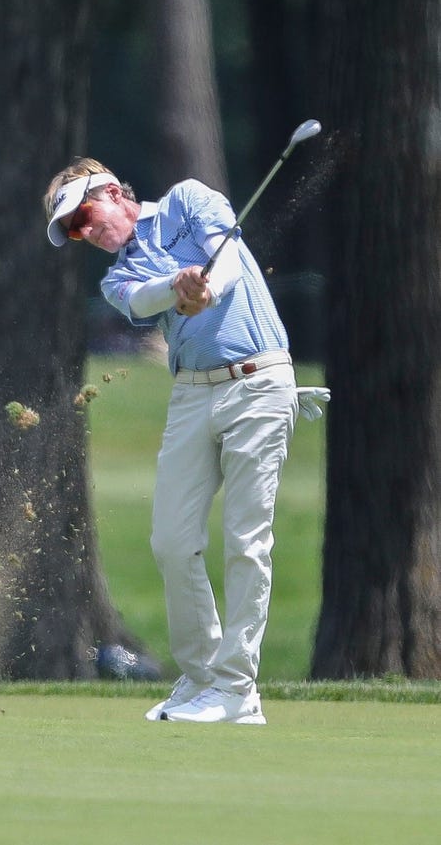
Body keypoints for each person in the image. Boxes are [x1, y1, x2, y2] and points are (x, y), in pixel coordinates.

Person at [42, 158, 328, 724]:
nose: (86, 231)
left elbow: (227, 264)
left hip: (258, 382)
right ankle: (201, 680)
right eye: (74, 229)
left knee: (248, 541)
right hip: (192, 395)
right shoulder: (115, 278)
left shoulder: (187, 200)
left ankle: (238, 690)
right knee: (171, 541)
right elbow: (143, 300)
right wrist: (177, 288)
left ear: (112, 190)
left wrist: (205, 285)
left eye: (85, 214)